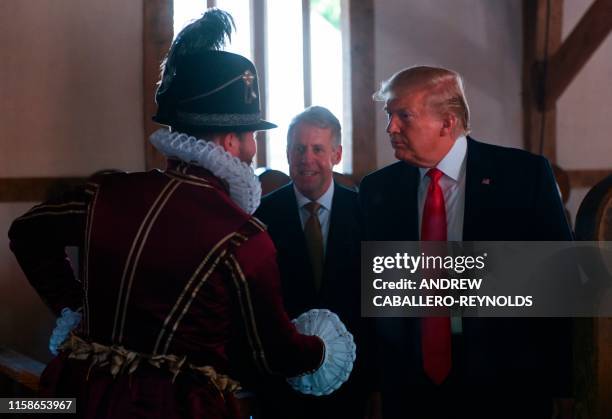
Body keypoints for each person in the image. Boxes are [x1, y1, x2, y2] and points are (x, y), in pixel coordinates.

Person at [8, 10, 353, 419]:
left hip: (75, 394)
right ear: (230, 141)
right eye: (253, 136)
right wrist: (323, 348)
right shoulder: (242, 236)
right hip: (172, 408)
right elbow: (273, 352)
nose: (254, 149)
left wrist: (74, 308)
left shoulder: (109, 192)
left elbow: (27, 231)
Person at [359, 66, 573, 419]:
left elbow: (561, 286)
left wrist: (564, 385)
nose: (391, 128)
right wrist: (372, 383)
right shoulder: (377, 189)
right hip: (409, 385)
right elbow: (372, 299)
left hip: (507, 381)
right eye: (389, 115)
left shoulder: (523, 176)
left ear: (447, 122)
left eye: (404, 116)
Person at [254, 106, 365, 418]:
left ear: (337, 153)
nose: (307, 159)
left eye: (318, 149)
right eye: (299, 149)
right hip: (281, 384)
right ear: (287, 153)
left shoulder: (365, 213)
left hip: (353, 381)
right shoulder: (261, 216)